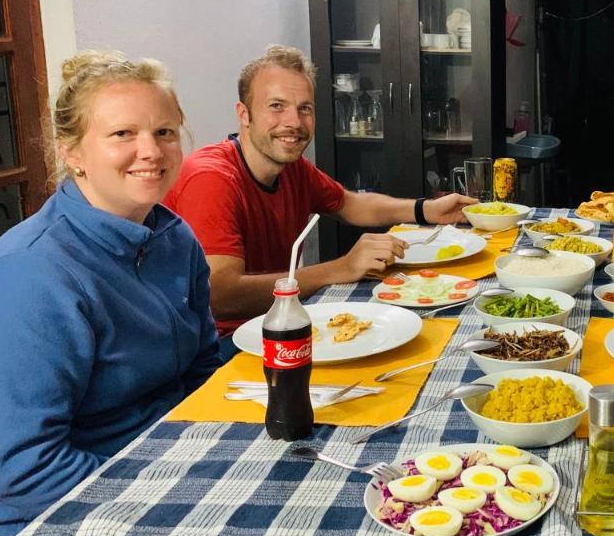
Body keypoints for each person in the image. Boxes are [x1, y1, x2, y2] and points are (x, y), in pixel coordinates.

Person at [0, 51, 313, 536]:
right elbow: (22, 472)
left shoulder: (172, 237)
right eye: (122, 134)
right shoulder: (31, 273)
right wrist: (176, 486)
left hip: (156, 468)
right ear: (72, 151)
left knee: (307, 485)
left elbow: (198, 374)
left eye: (164, 131)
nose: (151, 150)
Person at [164, 45, 475, 343]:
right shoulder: (211, 177)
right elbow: (220, 296)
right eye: (277, 106)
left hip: (283, 322)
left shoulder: (292, 168)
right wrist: (341, 267)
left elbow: (351, 204)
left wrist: (427, 210)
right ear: (244, 114)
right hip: (225, 346)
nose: (294, 122)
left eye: (305, 109)